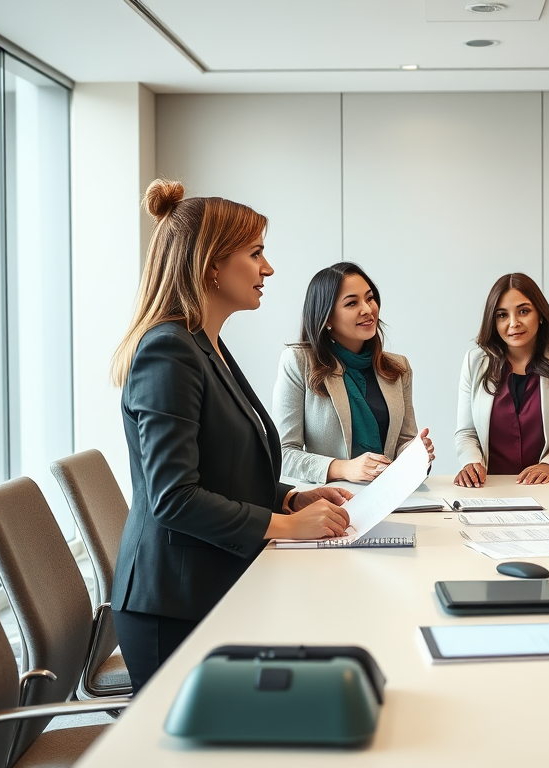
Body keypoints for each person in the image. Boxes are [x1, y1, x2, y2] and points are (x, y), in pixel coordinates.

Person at [110, 181, 352, 693]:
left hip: (212, 581)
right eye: (256, 253)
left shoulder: (204, 344)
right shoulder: (169, 351)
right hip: (174, 606)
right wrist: (288, 527)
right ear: (212, 265)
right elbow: (173, 498)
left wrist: (290, 498)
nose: (268, 269)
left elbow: (222, 468)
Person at [272, 262, 434, 483]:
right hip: (328, 501)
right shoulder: (299, 362)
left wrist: (416, 453)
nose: (367, 309)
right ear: (327, 317)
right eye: (351, 303)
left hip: (388, 497)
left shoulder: (399, 368)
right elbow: (283, 453)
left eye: (370, 298)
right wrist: (343, 468)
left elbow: (402, 442)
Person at [454, 273, 549, 487]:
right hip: (489, 488)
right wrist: (472, 462)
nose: (513, 323)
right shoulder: (475, 362)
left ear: (541, 315)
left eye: (523, 311)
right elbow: (466, 432)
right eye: (502, 315)